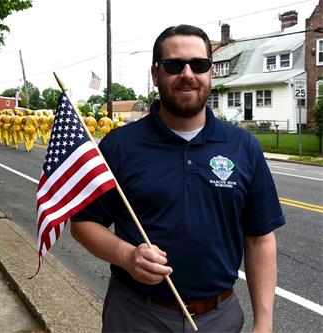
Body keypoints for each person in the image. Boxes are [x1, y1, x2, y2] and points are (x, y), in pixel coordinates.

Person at [70, 24, 285, 333]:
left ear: (210, 73)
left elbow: (260, 239)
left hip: (219, 317)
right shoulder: (119, 145)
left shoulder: (243, 146)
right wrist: (127, 255)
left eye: (198, 65)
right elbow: (83, 223)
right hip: (135, 316)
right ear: (156, 74)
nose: (187, 73)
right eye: (174, 65)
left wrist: (264, 324)